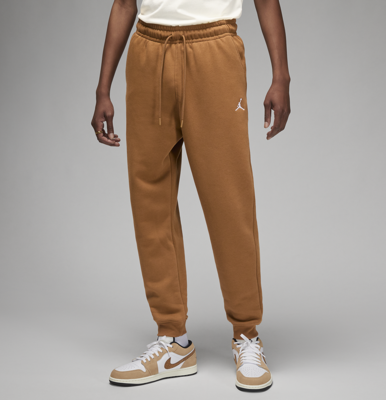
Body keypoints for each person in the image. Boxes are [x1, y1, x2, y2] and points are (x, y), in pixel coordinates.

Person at [91, 0, 290, 392]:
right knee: (150, 202)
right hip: (147, 52)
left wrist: (280, 76)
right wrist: (102, 88)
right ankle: (173, 341)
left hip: (214, 51)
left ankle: (247, 334)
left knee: (229, 202)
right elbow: (124, 4)